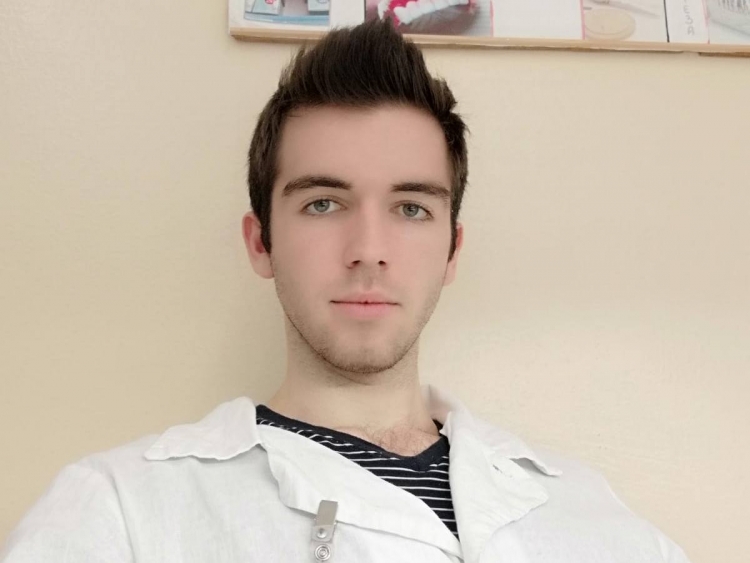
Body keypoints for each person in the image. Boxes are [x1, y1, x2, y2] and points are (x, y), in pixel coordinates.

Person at [1, 19, 691, 563]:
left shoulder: (597, 518)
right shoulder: (119, 512)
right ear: (260, 242)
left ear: (453, 250)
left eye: (411, 208)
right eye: (324, 203)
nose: (368, 249)